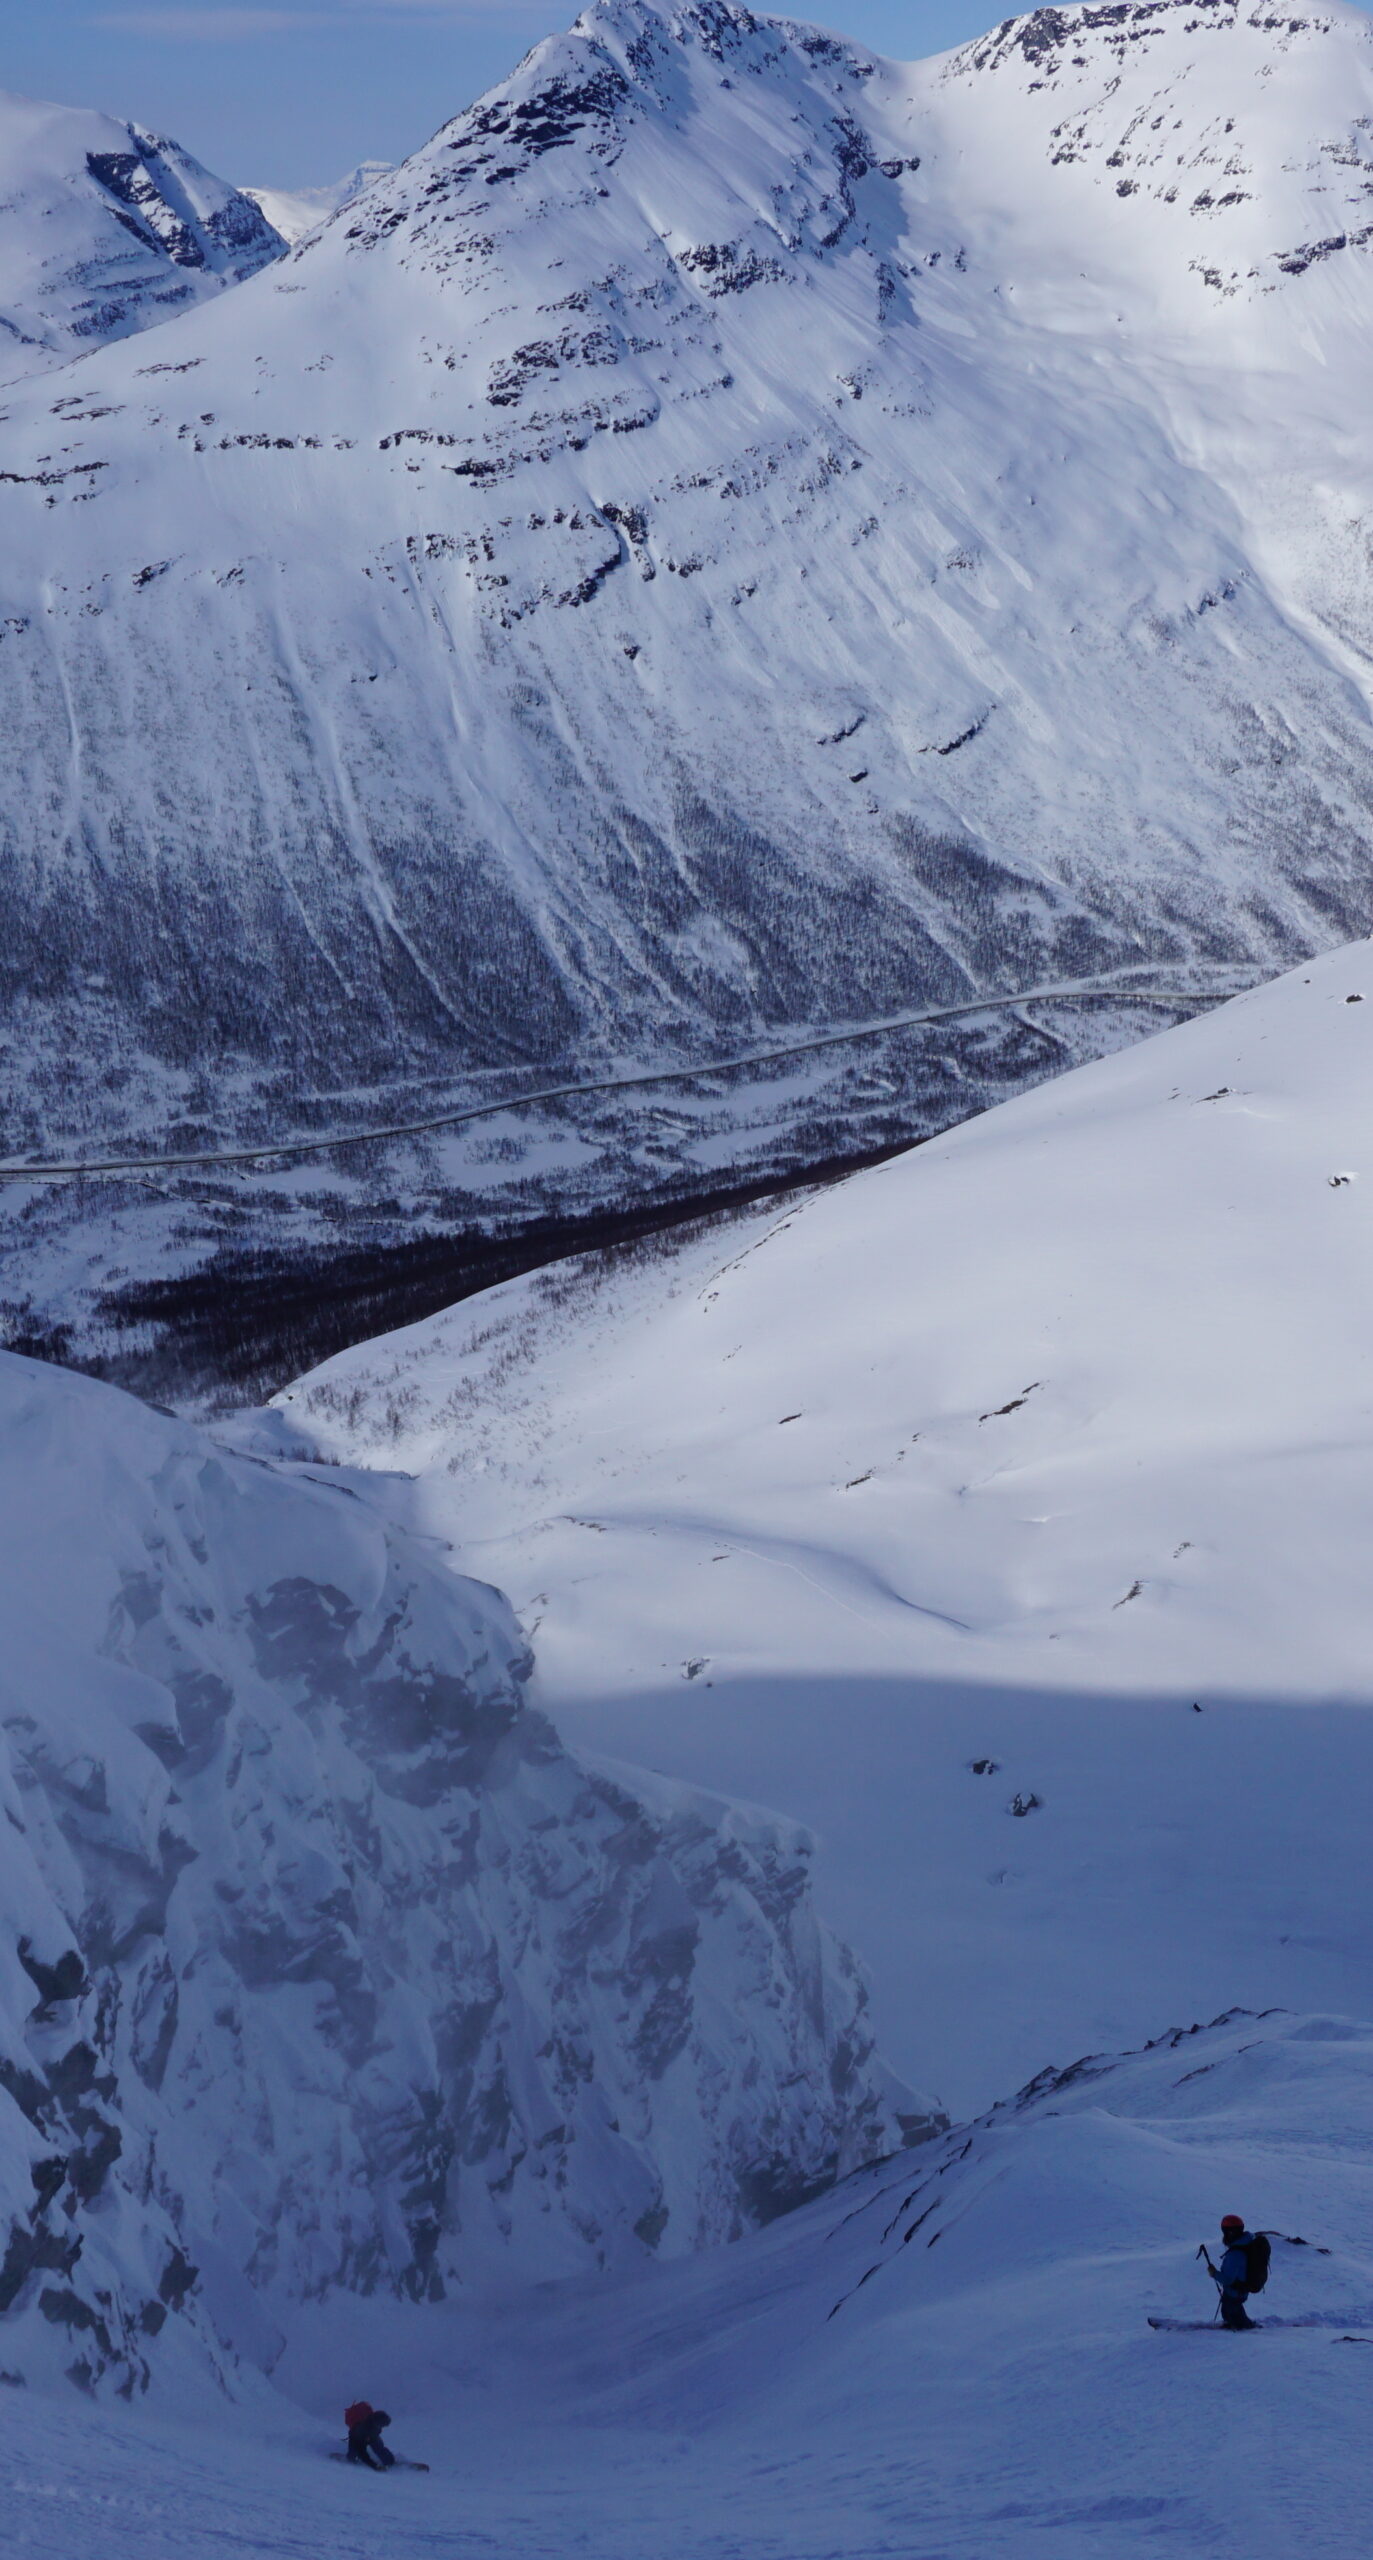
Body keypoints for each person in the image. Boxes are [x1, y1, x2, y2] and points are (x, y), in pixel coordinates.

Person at [1204, 2215, 1257, 2329]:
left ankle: (1245, 2330)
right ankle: (1244, 2325)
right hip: (1240, 2290)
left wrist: (1214, 2273)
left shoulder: (1236, 2254)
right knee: (1232, 2312)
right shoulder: (1245, 2245)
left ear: (1230, 2232)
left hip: (1235, 2291)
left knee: (1233, 2315)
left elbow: (1227, 2279)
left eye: (1225, 2231)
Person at [345, 2401, 397, 2469]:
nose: (382, 2427)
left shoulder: (374, 2421)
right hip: (356, 2437)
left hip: (370, 2435)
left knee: (379, 2447)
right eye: (382, 2425)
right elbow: (362, 2453)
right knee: (353, 2453)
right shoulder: (361, 2430)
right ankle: (349, 2459)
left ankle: (389, 2461)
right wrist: (374, 2466)